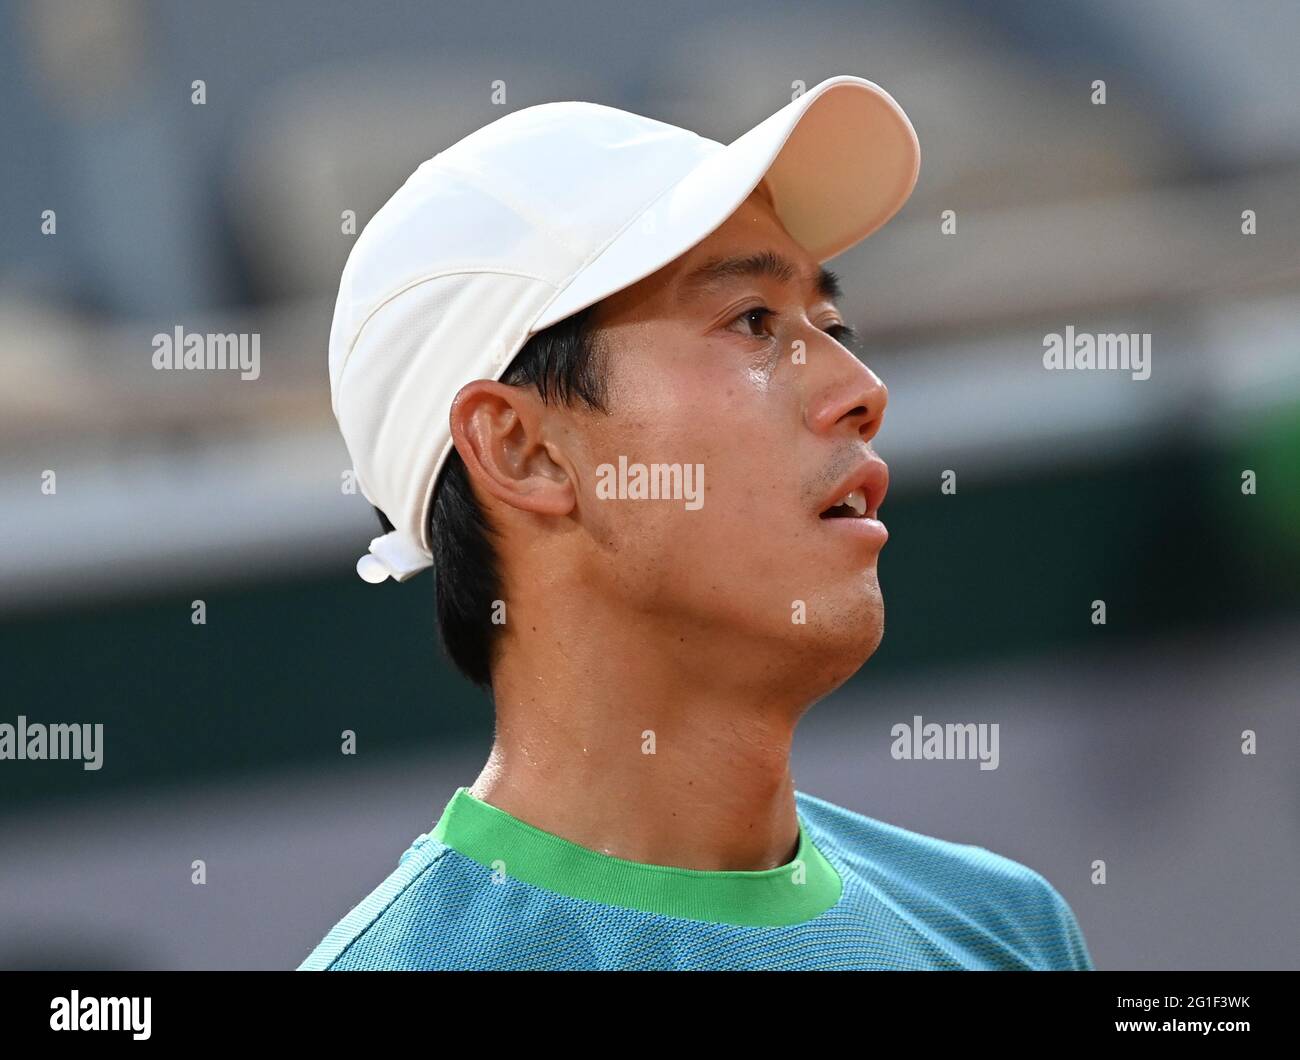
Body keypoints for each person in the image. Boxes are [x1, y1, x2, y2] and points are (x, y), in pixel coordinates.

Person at [302, 75, 1094, 970]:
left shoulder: (1009, 929)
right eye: (753, 321)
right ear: (524, 450)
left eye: (831, 324)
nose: (861, 392)